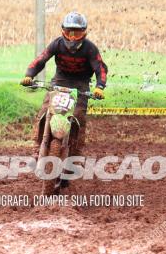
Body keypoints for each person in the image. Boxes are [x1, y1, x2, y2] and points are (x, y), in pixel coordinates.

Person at [20, 11, 107, 159]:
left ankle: (77, 155)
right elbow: (41, 60)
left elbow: (100, 68)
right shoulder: (57, 44)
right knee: (45, 111)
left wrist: (99, 87)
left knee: (79, 116)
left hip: (81, 86)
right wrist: (29, 75)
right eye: (69, 33)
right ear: (63, 32)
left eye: (77, 34)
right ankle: (37, 146)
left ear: (84, 33)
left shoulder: (90, 48)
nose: (73, 37)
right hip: (59, 81)